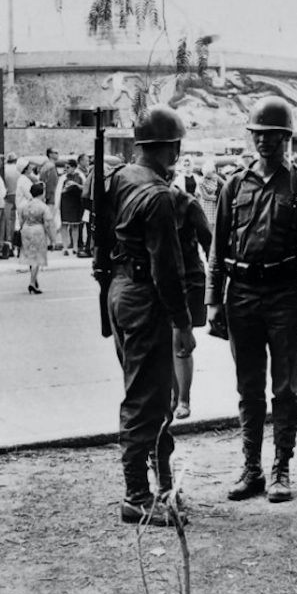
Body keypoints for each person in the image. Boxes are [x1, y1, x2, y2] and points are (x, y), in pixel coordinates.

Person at [206, 96, 297, 504]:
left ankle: (281, 468)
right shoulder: (234, 185)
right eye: (259, 134)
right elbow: (218, 248)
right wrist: (213, 301)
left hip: (286, 295)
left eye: (273, 135)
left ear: (286, 138)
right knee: (248, 386)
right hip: (241, 295)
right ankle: (252, 468)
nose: (265, 142)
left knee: (286, 388)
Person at [106, 105, 195, 527]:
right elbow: (168, 270)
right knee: (145, 399)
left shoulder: (120, 177)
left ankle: (161, 484)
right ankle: (137, 496)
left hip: (121, 291)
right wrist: (183, 326)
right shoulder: (158, 196)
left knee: (153, 395)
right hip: (146, 298)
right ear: (173, 148)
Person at [171, 182, 212, 420]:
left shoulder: (188, 204)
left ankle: (183, 398)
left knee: (180, 338)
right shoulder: (147, 200)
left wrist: (216, 287)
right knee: (167, 339)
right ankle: (174, 395)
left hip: (189, 278)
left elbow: (209, 243)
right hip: (161, 278)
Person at [19, 181, 50, 293]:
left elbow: (21, 220)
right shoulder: (43, 207)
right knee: (37, 257)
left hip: (26, 230)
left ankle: (34, 278)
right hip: (38, 231)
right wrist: (52, 238)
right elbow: (47, 223)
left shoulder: (24, 206)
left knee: (30, 255)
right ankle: (32, 282)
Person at [59, 159, 85, 255]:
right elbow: (58, 192)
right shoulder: (63, 178)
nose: (66, 169)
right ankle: (65, 247)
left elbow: (85, 188)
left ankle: (75, 246)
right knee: (64, 225)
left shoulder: (80, 177)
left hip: (76, 202)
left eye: (68, 167)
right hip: (65, 202)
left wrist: (76, 185)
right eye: (65, 167)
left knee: (75, 225)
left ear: (74, 167)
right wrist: (65, 189)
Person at [41, 147, 60, 248]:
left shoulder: (45, 166)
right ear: (50, 154)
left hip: (46, 197)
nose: (57, 155)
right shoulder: (51, 167)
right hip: (50, 198)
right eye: (55, 153)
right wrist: (48, 197)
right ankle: (51, 242)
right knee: (50, 221)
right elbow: (51, 184)